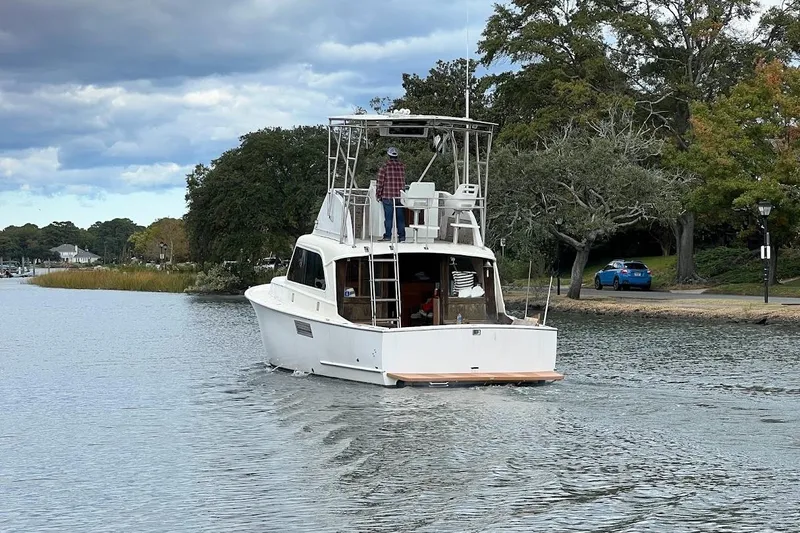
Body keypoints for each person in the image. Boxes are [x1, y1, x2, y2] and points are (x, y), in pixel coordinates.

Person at [376, 146, 406, 242]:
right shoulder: (402, 166)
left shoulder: (384, 167)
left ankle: (388, 236)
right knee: (400, 218)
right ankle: (402, 236)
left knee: (388, 218)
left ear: (388, 155)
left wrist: (378, 195)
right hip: (400, 197)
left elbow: (380, 182)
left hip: (388, 196)